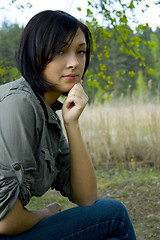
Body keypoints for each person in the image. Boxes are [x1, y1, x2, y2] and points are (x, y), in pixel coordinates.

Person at [0, 10, 136, 240]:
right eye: (60, 51)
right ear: (34, 54)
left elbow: (86, 198)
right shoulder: (18, 104)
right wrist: (45, 213)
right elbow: (5, 222)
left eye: (80, 51)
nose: (74, 63)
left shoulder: (47, 113)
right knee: (114, 216)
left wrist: (71, 123)